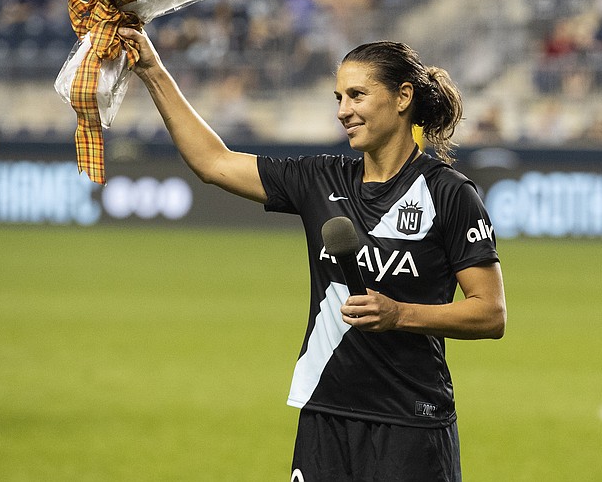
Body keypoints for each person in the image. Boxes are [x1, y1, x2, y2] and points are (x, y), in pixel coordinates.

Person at [122, 26, 506, 481]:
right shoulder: (320, 179)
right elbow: (214, 162)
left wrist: (399, 314)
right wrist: (152, 70)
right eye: (338, 98)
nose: (344, 111)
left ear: (403, 97)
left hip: (410, 423)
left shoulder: (449, 193)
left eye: (357, 96)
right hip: (324, 411)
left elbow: (490, 314)